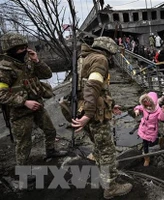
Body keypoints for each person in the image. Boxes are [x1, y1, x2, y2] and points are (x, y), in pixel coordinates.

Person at [71, 37, 132, 199]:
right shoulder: (100, 59)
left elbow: (90, 89)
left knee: (99, 146)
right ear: (107, 51)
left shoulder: (84, 58)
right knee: (107, 149)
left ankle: (104, 174)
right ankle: (110, 187)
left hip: (87, 108)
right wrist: (89, 114)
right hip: (95, 113)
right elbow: (92, 87)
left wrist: (110, 105)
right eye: (111, 54)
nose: (111, 58)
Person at [0, 33, 68, 166]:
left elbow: (47, 74)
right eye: (20, 48)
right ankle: (23, 172)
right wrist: (24, 102)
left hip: (37, 105)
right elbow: (1, 94)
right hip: (19, 112)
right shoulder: (4, 68)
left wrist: (37, 61)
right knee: (24, 143)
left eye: (25, 47)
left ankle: (50, 151)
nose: (23, 50)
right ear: (10, 50)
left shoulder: (28, 60)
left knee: (50, 130)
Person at [134, 91, 164, 166]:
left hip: (152, 130)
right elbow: (138, 107)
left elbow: (162, 118)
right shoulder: (144, 107)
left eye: (148, 101)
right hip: (143, 128)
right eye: (144, 101)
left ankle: (160, 141)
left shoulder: (158, 110)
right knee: (145, 143)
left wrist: (163, 111)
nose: (146, 103)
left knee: (152, 142)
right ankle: (146, 158)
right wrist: (136, 110)